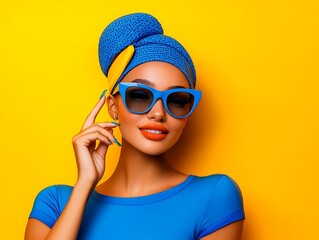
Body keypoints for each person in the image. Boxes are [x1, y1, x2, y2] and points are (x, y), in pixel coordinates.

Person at [25, 13, 245, 240]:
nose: (158, 113)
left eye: (177, 100)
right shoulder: (55, 204)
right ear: (113, 107)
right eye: (140, 95)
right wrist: (84, 185)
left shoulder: (213, 196)